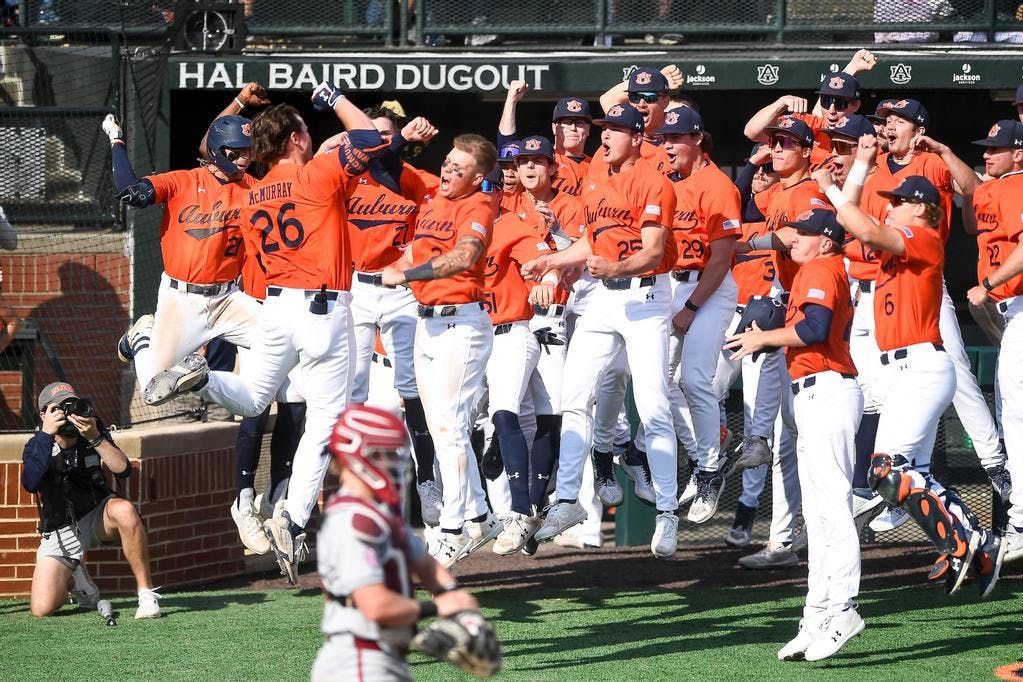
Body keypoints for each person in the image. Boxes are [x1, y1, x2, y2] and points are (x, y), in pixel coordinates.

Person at [145, 82, 385, 584]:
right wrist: (334, 98)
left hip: (274, 307)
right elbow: (369, 137)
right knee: (326, 419)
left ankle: (202, 378)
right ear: (295, 139)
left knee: (254, 398)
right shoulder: (317, 172)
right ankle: (293, 518)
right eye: (305, 131)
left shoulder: (253, 192)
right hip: (323, 309)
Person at [819, 159, 1004, 597]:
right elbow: (848, 232)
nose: (890, 206)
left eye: (898, 202)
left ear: (920, 207)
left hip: (921, 366)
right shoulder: (893, 245)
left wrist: (830, 187)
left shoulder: (922, 236)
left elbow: (865, 230)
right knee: (893, 477)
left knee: (890, 468)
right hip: (901, 370)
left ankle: (965, 540)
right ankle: (975, 543)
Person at [522, 103, 679, 558]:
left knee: (653, 404)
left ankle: (667, 510)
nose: (604, 136)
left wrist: (615, 267)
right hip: (604, 300)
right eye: (603, 129)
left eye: (614, 130)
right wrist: (552, 260)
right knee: (574, 397)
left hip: (645, 298)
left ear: (636, 137)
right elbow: (592, 238)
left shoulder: (653, 182)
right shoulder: (595, 173)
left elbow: (653, 252)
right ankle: (569, 500)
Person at [725, 208, 863, 662]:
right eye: (795, 231)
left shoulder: (821, 267)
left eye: (805, 233)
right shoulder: (813, 269)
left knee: (833, 510)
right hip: (815, 392)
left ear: (826, 240)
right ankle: (816, 615)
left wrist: (764, 338)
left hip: (828, 389)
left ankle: (843, 609)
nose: (795, 239)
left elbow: (815, 329)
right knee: (818, 517)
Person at [380, 133, 503, 568]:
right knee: (441, 427)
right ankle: (481, 516)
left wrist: (408, 274)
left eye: (458, 168)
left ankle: (452, 529)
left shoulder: (480, 204)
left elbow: (465, 256)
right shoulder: (434, 198)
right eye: (448, 162)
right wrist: (394, 267)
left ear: (478, 176)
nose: (448, 170)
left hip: (461, 324)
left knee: (450, 426)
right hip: (427, 322)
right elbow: (415, 249)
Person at [103, 99, 264, 397]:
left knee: (285, 342)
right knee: (153, 392)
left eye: (249, 151)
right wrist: (117, 141)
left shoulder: (256, 189)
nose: (245, 158)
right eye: (237, 151)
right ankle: (141, 336)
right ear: (218, 150)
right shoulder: (184, 181)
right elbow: (131, 192)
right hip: (182, 300)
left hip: (228, 298)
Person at [312, 404, 479, 682]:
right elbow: (375, 605)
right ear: (359, 456)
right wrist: (438, 608)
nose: (394, 463)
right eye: (386, 454)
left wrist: (452, 599)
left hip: (382, 658)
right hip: (358, 661)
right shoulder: (352, 520)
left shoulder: (379, 513)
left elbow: (424, 564)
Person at [345, 107, 444, 527]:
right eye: (372, 134)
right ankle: (354, 485)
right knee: (351, 387)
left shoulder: (417, 180)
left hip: (398, 289)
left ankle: (427, 480)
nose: (380, 142)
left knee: (410, 386)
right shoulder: (346, 175)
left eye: (387, 135)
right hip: (356, 287)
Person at [652, 106, 741, 524]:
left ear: (698, 139)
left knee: (693, 379)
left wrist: (690, 308)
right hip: (673, 283)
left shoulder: (718, 185)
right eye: (664, 139)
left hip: (710, 287)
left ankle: (707, 471)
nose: (667, 146)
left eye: (676, 138)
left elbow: (721, 259)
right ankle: (703, 457)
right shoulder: (669, 181)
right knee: (658, 382)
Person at [22, 382, 161, 619]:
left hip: (98, 514)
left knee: (125, 510)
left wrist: (95, 437)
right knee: (42, 608)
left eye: (71, 405)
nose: (68, 413)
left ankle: (147, 595)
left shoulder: (93, 430)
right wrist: (46, 434)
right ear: (44, 414)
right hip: (60, 528)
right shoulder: (38, 444)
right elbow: (30, 483)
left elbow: (123, 469)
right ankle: (75, 577)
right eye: (59, 408)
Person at [965, 119, 1023, 565]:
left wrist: (989, 283)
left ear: (1018, 153)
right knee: (1011, 412)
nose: (987, 154)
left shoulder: (1019, 185)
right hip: (1009, 309)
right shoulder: (996, 187)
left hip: (1018, 303)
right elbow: (972, 221)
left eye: (996, 148)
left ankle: (1019, 521)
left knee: (1016, 413)